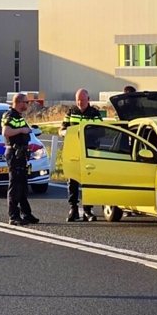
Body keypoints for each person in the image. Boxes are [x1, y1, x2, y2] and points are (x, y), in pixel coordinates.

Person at [61, 88, 103, 222]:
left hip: (90, 151)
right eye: (78, 100)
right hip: (74, 152)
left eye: (83, 100)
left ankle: (88, 210)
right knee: (72, 181)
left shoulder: (94, 113)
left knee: (88, 181)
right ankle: (73, 209)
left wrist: (87, 133)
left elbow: (102, 131)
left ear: (88, 99)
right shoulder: (71, 112)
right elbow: (62, 128)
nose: (80, 103)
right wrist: (64, 133)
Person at [1, 93, 38, 226]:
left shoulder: (19, 116)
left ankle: (26, 214)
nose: (28, 105)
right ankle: (13, 216)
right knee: (15, 186)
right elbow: (6, 131)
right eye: (26, 102)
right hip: (14, 153)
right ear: (20, 102)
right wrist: (22, 130)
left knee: (23, 185)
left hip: (21, 154)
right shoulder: (9, 115)